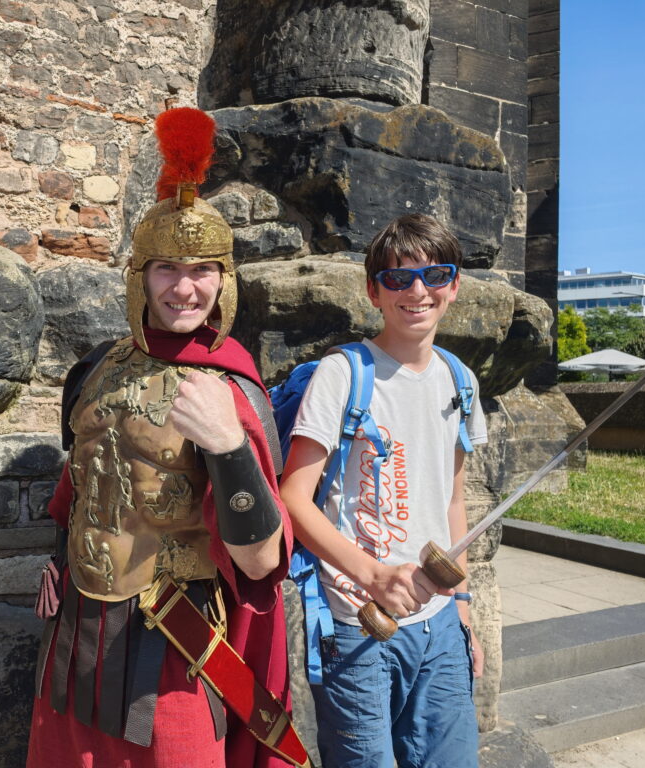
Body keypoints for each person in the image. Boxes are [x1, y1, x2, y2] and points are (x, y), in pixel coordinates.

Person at [26, 107, 302, 768]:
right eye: (166, 268)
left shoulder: (231, 386)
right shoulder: (94, 370)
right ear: (139, 277)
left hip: (175, 645)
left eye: (203, 269)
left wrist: (229, 448)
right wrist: (58, 558)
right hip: (75, 639)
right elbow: (82, 479)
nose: (184, 287)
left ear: (224, 279)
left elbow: (263, 564)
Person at [280, 213, 487, 768]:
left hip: (440, 624)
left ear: (455, 285)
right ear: (373, 291)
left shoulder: (459, 379)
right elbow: (294, 497)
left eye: (435, 275)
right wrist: (373, 575)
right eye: (397, 279)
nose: (417, 292)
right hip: (357, 624)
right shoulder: (344, 374)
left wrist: (462, 607)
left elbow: (453, 499)